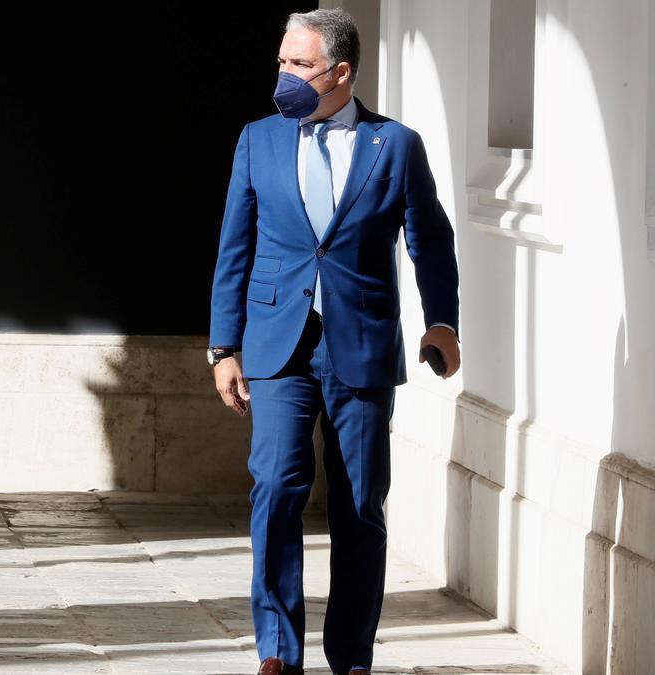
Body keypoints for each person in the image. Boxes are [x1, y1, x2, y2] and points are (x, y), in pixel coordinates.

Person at [208, 9, 460, 675]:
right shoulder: (258, 139)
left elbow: (429, 237)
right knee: (276, 485)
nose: (283, 75)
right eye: (282, 61)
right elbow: (235, 246)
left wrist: (442, 321)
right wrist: (222, 346)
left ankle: (351, 656)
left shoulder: (395, 145)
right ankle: (278, 651)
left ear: (340, 72)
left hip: (362, 345)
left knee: (358, 504)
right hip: (277, 346)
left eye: (298, 64)